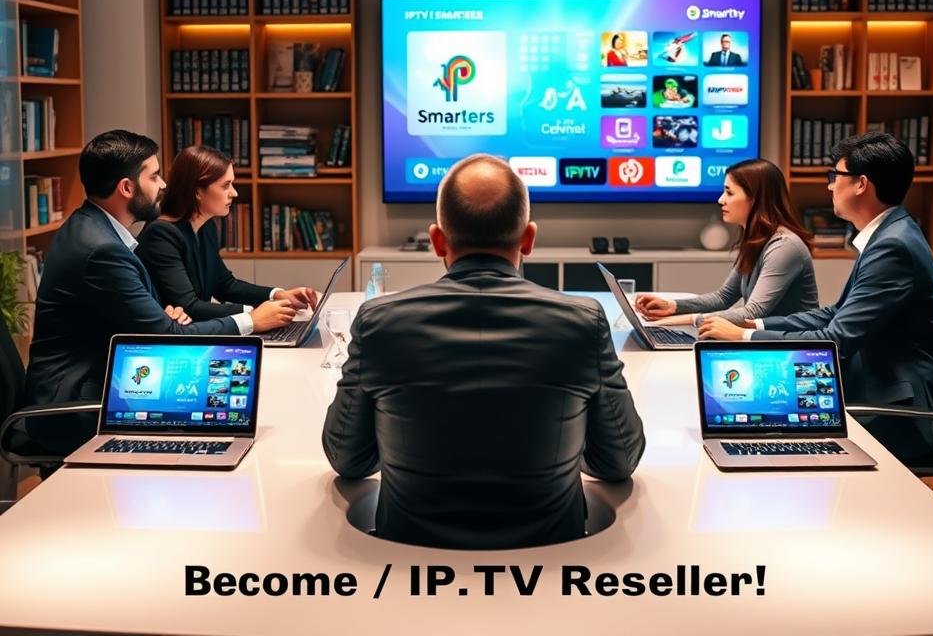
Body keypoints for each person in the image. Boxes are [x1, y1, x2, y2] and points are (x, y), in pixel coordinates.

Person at [322, 154, 644, 550]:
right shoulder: (584, 321)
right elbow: (619, 462)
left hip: (409, 563)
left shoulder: (378, 321)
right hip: (551, 564)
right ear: (529, 238)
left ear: (437, 240)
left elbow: (347, 459)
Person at [23, 130, 296, 454]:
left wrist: (160, 317)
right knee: (241, 418)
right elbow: (166, 334)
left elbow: (153, 321)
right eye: (153, 176)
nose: (164, 185)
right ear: (127, 188)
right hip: (80, 406)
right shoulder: (102, 250)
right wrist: (250, 321)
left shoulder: (92, 229)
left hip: (112, 381)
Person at [700, 133, 933, 417]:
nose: (829, 186)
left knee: (744, 413)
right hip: (877, 386)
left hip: (896, 408)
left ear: (861, 184)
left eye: (835, 175)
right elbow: (835, 312)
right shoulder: (891, 233)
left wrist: (743, 336)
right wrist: (754, 325)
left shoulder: (893, 246)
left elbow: (835, 341)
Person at [136, 145, 318, 321]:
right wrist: (256, 313)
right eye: (226, 185)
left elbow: (224, 285)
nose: (235, 193)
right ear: (197, 191)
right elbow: (188, 306)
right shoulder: (160, 235)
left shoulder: (205, 226)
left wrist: (278, 295)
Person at [636, 159, 818, 328]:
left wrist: (681, 321)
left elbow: (752, 313)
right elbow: (723, 297)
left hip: (792, 349)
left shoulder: (784, 246)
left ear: (755, 198)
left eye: (729, 192)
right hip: (766, 341)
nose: (720, 199)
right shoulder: (757, 240)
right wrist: (672, 306)